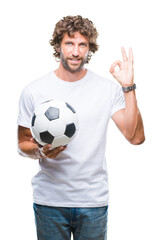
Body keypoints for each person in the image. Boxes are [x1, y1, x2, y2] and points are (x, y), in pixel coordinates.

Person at [17, 15, 145, 240]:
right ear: (58, 46)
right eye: (69, 43)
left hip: (92, 203)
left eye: (82, 44)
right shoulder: (34, 91)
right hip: (50, 202)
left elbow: (135, 137)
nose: (76, 52)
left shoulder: (107, 89)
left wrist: (128, 86)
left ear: (89, 48)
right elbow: (22, 143)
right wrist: (39, 151)